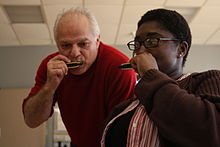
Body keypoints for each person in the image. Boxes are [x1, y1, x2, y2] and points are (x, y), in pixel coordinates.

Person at [101, 8, 220, 147]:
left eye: (152, 41)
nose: (140, 51)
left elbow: (211, 132)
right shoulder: (122, 109)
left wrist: (151, 73)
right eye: (138, 43)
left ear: (181, 49)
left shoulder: (208, 80)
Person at [22, 7, 137, 147]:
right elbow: (31, 120)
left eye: (83, 44)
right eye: (66, 45)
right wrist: (50, 86)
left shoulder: (118, 67)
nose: (75, 53)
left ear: (97, 41)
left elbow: (123, 131)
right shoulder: (50, 67)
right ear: (57, 44)